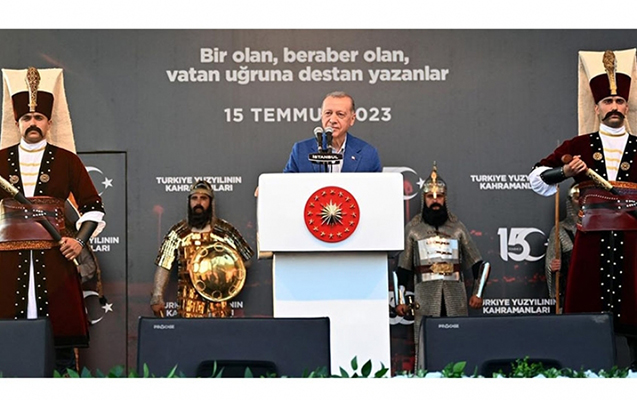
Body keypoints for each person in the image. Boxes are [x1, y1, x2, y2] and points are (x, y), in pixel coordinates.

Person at [529, 48, 637, 368]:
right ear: (596, 106)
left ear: (626, 106)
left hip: (634, 244)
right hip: (591, 243)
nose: (614, 107)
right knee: (587, 325)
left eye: (619, 101)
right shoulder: (578, 146)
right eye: (607, 101)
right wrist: (565, 171)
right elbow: (535, 178)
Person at [0, 67, 105, 374]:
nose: (32, 123)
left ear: (49, 122)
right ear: (18, 123)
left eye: (39, 117)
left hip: (56, 260)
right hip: (6, 263)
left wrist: (79, 241)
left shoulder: (67, 160)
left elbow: (93, 207)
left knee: (59, 343)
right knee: (8, 340)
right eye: (26, 118)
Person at [394, 163, 487, 366]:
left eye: (439, 196)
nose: (435, 200)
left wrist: (478, 293)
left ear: (445, 198)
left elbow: (479, 264)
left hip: (455, 295)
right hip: (425, 297)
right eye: (430, 196)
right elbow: (403, 269)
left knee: (458, 344)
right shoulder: (413, 229)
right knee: (426, 345)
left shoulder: (457, 228)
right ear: (424, 199)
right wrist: (400, 300)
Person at [151, 180, 254, 318]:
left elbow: (246, 261)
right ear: (189, 202)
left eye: (203, 198)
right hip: (187, 308)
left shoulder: (225, 231)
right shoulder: (178, 233)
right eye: (194, 198)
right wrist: (157, 296)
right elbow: (164, 265)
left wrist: (223, 267)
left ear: (210, 202)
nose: (198, 203)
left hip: (219, 309)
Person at [283, 91, 382, 173]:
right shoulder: (301, 150)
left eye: (340, 114)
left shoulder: (368, 154)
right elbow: (287, 186)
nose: (333, 120)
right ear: (321, 116)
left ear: (352, 119)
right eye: (328, 113)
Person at [544, 183, 580, 312]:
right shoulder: (560, 230)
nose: (581, 202)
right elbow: (550, 263)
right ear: (570, 201)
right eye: (577, 198)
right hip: (569, 293)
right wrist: (554, 267)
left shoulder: (598, 229)